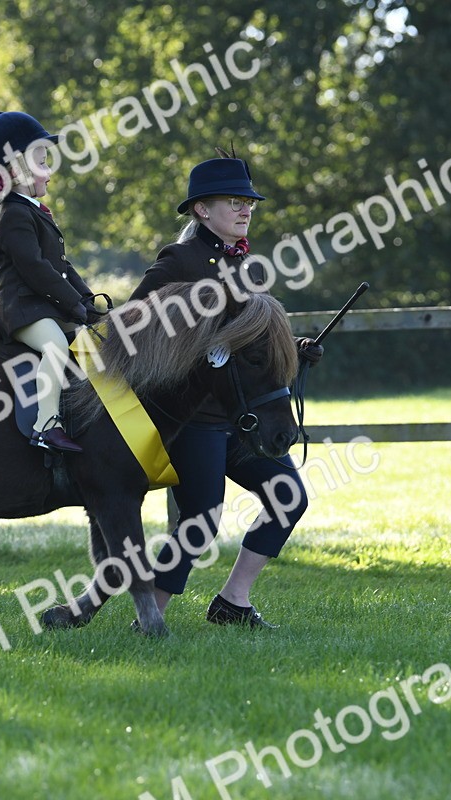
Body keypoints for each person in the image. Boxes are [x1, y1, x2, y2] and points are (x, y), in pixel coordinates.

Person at [130, 154, 323, 629]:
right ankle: (149, 617)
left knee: (288, 495)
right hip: (195, 416)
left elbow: (249, 337)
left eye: (248, 202)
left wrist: (294, 350)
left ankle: (233, 601)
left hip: (241, 415)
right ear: (201, 210)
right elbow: (131, 328)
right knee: (200, 521)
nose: (245, 209)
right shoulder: (179, 261)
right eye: (234, 202)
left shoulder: (247, 263)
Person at [0, 111, 103, 453]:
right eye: (43, 162)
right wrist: (72, 304)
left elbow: (61, 266)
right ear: (16, 170)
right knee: (57, 347)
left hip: (42, 307)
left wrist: (89, 301)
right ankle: (46, 424)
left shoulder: (34, 211)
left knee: (92, 346)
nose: (49, 171)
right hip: (21, 311)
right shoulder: (15, 215)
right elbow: (35, 269)